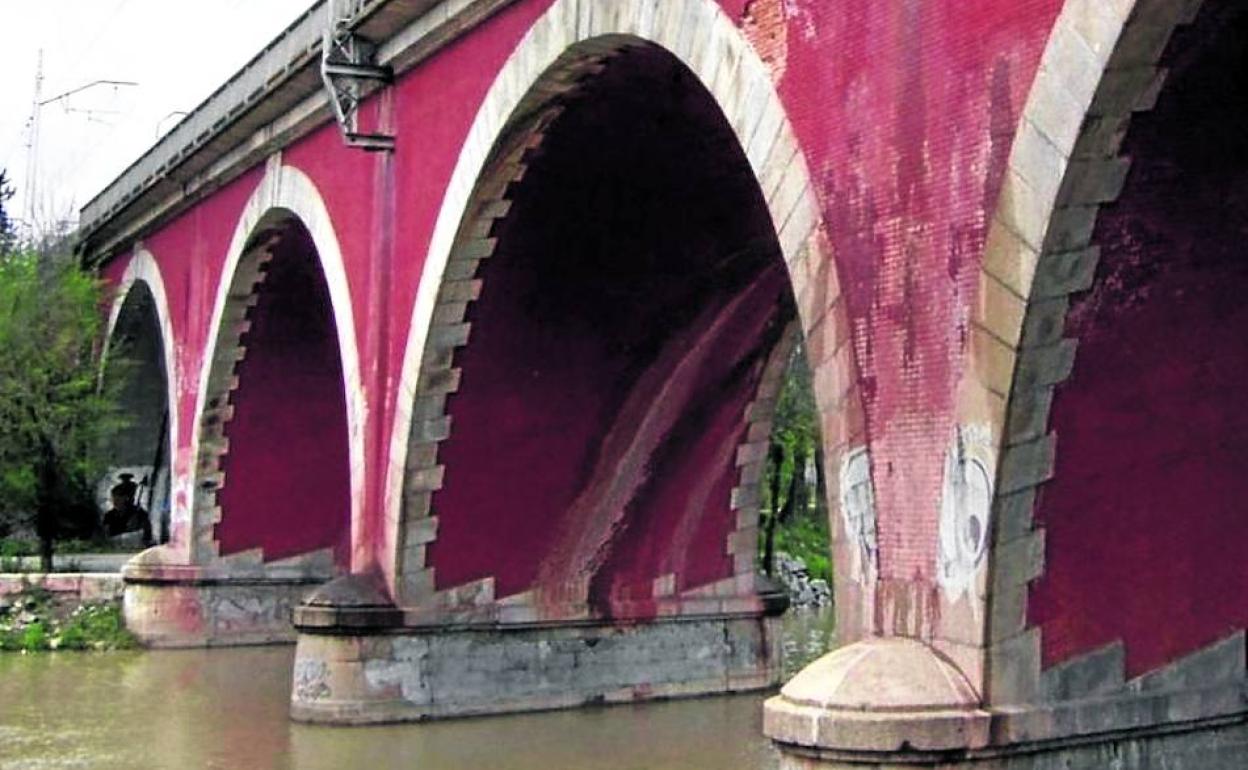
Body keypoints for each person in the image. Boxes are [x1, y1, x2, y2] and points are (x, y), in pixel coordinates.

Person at [103, 473, 152, 545]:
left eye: (119, 498)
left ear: (126, 498)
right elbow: (106, 537)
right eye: (114, 498)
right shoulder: (109, 516)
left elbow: (147, 536)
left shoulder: (140, 514)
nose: (115, 501)